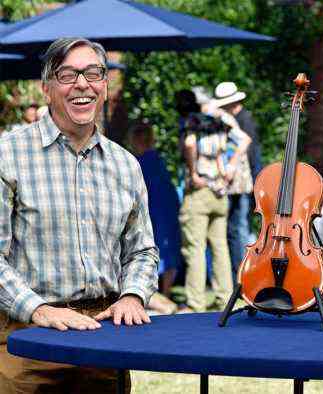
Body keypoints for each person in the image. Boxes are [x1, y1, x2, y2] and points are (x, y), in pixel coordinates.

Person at [0, 38, 159, 393]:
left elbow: (142, 250)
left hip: (104, 339)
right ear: (46, 88)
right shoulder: (7, 156)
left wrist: (133, 295)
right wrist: (38, 309)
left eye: (93, 73)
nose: (82, 84)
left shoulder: (125, 164)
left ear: (104, 86)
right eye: (68, 74)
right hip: (27, 339)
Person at [175, 89, 248, 312]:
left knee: (195, 248)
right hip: (220, 190)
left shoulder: (192, 120)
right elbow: (245, 140)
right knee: (220, 246)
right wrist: (231, 166)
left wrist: (193, 170)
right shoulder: (224, 118)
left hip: (199, 190)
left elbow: (189, 144)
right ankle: (225, 298)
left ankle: (195, 303)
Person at [129, 122, 181, 315]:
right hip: (167, 209)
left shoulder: (138, 162)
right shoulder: (158, 160)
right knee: (169, 249)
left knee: (151, 248)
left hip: (152, 211)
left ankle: (154, 294)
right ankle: (165, 293)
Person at [212, 82, 257, 276]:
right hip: (238, 182)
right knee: (236, 228)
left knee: (239, 228)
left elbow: (251, 152)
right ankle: (238, 272)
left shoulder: (242, 120)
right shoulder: (236, 118)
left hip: (241, 182)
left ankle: (242, 273)